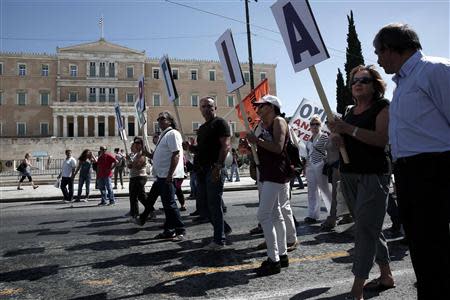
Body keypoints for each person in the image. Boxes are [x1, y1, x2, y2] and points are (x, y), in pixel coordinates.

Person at [373, 23, 450, 299]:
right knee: (422, 247)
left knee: (437, 247)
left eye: (378, 52)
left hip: (435, 171)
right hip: (409, 175)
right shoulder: (403, 83)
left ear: (392, 49)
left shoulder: (435, 70)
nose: (378, 60)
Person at [329, 64, 394, 300]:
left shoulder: (382, 107)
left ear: (375, 84)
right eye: (354, 80)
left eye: (364, 80)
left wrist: (348, 129)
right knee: (370, 227)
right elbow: (345, 142)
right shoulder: (349, 111)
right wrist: (337, 136)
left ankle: (356, 290)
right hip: (349, 175)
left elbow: (381, 139)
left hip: (373, 175)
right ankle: (386, 275)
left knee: (365, 231)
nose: (357, 83)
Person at [247, 94, 295, 276]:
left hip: (276, 172)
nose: (257, 108)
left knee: (264, 215)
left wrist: (257, 141)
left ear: (271, 106)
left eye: (261, 105)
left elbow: (278, 147)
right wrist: (253, 143)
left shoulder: (279, 121)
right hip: (270, 171)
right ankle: (281, 256)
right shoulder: (263, 124)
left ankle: (273, 259)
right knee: (275, 214)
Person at [187, 96, 232, 250]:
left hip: (214, 168)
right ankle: (224, 229)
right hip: (202, 169)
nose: (206, 108)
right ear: (200, 109)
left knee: (214, 204)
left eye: (209, 106)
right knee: (204, 207)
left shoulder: (220, 123)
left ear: (215, 108)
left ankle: (219, 240)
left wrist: (218, 167)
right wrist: (190, 148)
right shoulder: (203, 128)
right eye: (204, 106)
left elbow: (225, 146)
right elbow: (200, 150)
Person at [134, 112, 186, 240]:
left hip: (167, 176)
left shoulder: (172, 133)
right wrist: (148, 154)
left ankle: (180, 230)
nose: (159, 121)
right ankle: (164, 228)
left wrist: (170, 175)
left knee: (169, 204)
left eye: (162, 118)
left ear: (170, 121)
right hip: (161, 175)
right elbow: (161, 155)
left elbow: (176, 154)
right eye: (158, 119)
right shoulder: (164, 135)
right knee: (151, 198)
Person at [304, 115, 332, 224]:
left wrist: (327, 161)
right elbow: (307, 155)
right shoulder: (308, 139)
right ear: (310, 126)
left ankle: (332, 213)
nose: (315, 126)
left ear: (320, 125)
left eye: (317, 124)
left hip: (320, 164)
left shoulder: (324, 136)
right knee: (312, 191)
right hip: (310, 166)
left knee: (325, 190)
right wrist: (305, 166)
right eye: (312, 124)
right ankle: (312, 215)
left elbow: (330, 150)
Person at [126, 140, 148, 220]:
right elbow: (131, 166)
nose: (133, 146)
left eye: (136, 144)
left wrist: (131, 161)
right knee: (133, 196)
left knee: (141, 196)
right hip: (134, 177)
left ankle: (150, 210)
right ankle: (134, 213)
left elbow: (138, 166)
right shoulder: (135, 155)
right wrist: (129, 161)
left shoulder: (142, 154)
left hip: (139, 177)